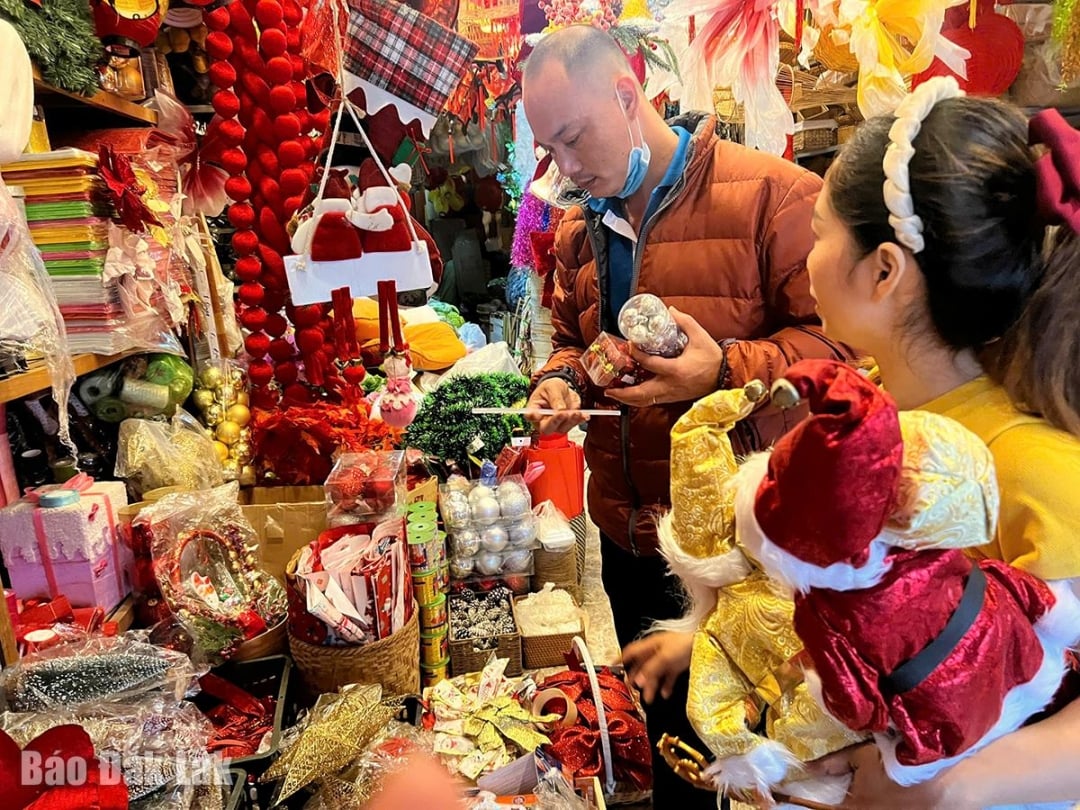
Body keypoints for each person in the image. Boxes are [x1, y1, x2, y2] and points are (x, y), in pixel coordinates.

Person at [520, 23, 853, 805]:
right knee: (661, 753)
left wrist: (724, 370)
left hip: (742, 555)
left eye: (573, 139)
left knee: (755, 760)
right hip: (630, 532)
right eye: (550, 151)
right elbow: (571, 340)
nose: (565, 169)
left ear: (627, 95)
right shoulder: (576, 225)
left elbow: (844, 357)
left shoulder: (774, 195)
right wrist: (561, 383)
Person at [801, 78, 1080, 807]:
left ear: (884, 270)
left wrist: (944, 790)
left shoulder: (1032, 467)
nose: (808, 256)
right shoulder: (869, 407)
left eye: (818, 232)